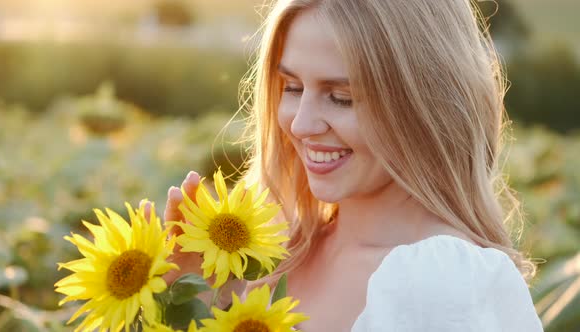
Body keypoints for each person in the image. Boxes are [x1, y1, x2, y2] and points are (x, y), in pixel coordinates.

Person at [141, 0, 544, 331]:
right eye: (293, 87)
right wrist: (195, 305)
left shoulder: (444, 286)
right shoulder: (280, 253)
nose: (301, 124)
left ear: (425, 104)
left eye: (342, 97)